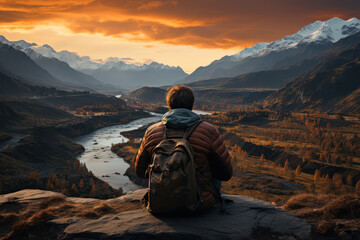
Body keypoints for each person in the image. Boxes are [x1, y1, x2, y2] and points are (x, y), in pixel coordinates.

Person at [135, 85, 233, 210]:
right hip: (200, 203)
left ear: (169, 105)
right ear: (192, 105)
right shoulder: (209, 131)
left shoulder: (152, 131)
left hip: (159, 203)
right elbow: (225, 174)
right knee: (212, 162)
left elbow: (140, 172)